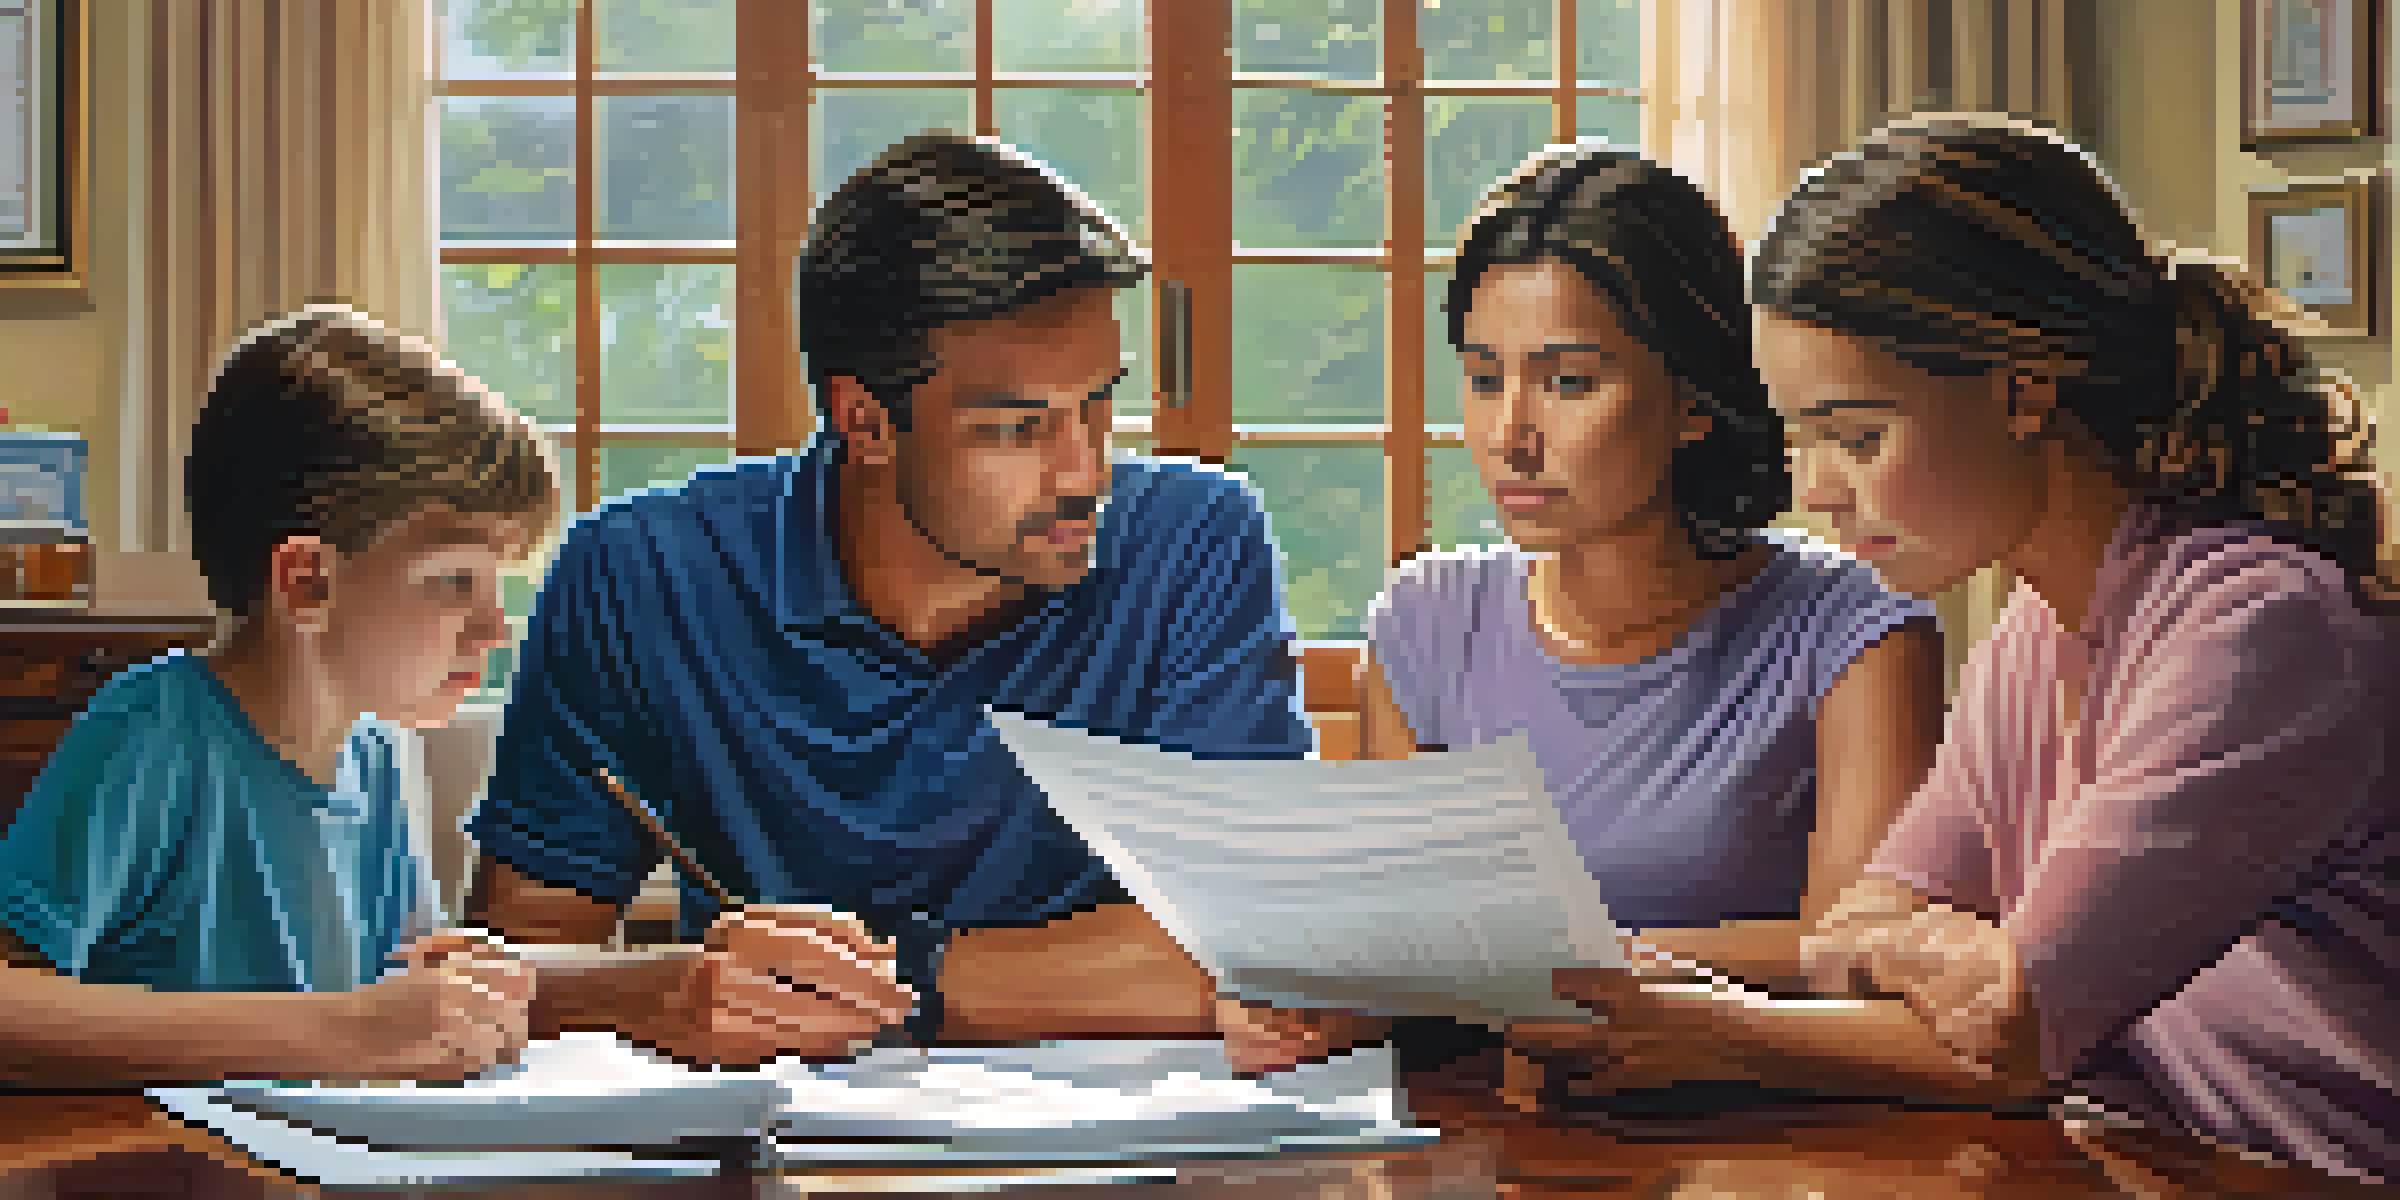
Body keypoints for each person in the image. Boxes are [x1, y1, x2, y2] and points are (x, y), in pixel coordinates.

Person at [1532, 115, 2398, 1184]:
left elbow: (2009, 1043)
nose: (1817, 491)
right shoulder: (2034, 634)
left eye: (1857, 435)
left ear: (2020, 390)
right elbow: (1858, 929)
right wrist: (1944, 958)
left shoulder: (2261, 632)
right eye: (1802, 438)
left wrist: (1710, 1030)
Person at [465, 133, 1315, 1046]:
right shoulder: (639, 573)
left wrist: (895, 977)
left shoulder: (1195, 541)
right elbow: (513, 964)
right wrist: (669, 993)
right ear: (865, 422)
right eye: (1018, 429)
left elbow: (1259, 947)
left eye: (1098, 404)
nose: (1086, 472)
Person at [0, 307, 908, 1083]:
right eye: (452, 581)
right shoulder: (152, 738)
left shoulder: (379, 753)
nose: (493, 629)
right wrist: (346, 1031)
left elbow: (409, 988)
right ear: (306, 581)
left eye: (496, 585)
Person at [1217, 145, 1946, 1079]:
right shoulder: (1425, 623)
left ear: (1693, 399)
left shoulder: (1855, 633)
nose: (1510, 435)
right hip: (1489, 1131)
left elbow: (1857, 955)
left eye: (1568, 383)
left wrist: (1575, 972)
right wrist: (1325, 1006)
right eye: (1485, 379)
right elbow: (1408, 955)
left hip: (1759, 1141)